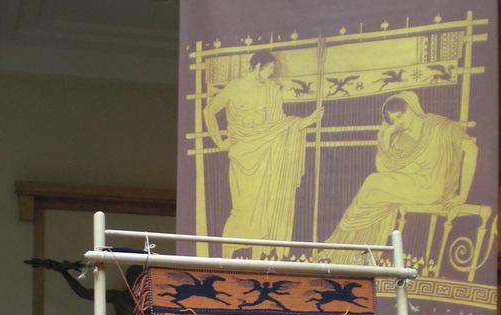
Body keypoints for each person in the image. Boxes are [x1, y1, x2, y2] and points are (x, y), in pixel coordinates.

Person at [320, 90, 478, 263]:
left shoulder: (442, 126)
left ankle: (340, 245)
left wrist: (462, 195)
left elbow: (471, 150)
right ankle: (350, 252)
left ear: (412, 108)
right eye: (393, 121)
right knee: (373, 196)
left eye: (399, 116)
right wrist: (385, 137)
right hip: (411, 187)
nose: (397, 123)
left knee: (373, 184)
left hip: (434, 188)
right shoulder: (402, 137)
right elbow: (384, 168)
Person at [203, 50, 323, 258]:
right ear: (258, 66)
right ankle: (225, 258)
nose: (271, 74)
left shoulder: (271, 89)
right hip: (243, 153)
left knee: (267, 206)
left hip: (267, 152)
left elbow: (280, 124)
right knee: (242, 208)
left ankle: (260, 259)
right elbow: (209, 111)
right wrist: (219, 141)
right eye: (269, 69)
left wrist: (308, 121)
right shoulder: (235, 88)